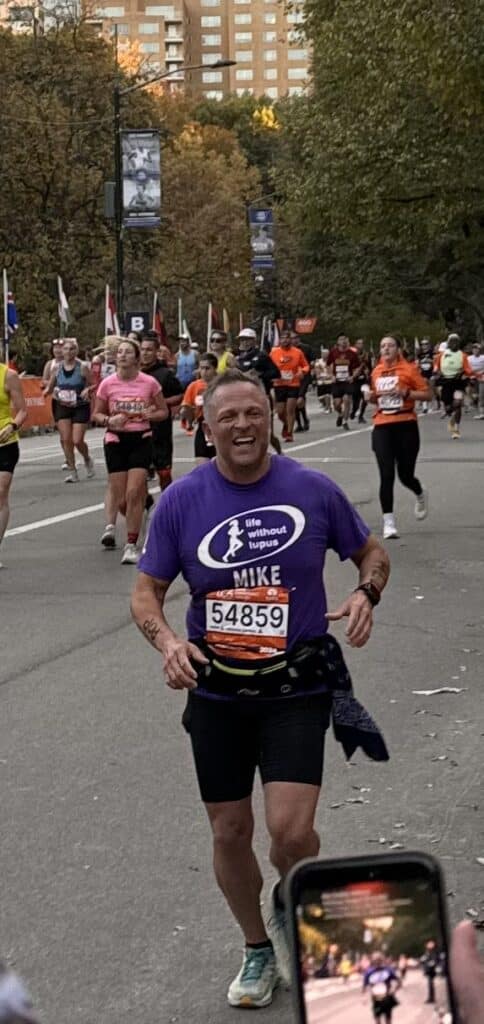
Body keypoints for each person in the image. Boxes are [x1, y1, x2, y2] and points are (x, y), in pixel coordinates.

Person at [131, 368, 391, 1009]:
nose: (243, 426)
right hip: (217, 690)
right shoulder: (184, 502)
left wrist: (367, 592)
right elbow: (147, 592)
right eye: (229, 417)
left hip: (296, 685)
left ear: (271, 418)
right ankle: (256, 947)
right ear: (206, 426)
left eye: (254, 413)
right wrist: (168, 642)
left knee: (292, 832)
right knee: (228, 831)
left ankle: (301, 920)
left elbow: (372, 552)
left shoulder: (312, 489)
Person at [92, 338, 168, 563]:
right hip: (115, 440)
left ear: (136, 358)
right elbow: (96, 414)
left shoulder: (149, 383)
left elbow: (163, 412)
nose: (122, 355)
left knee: (134, 492)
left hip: (141, 438)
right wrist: (109, 419)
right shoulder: (107, 384)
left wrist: (149, 415)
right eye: (120, 352)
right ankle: (139, 517)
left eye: (127, 352)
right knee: (121, 499)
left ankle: (131, 544)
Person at [368, 335, 431, 539]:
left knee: (405, 475)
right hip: (382, 426)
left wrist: (406, 393)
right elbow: (376, 398)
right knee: (386, 474)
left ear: (398, 349)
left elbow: (427, 394)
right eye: (382, 346)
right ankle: (389, 522)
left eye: (390, 346)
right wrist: (370, 397)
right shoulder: (376, 371)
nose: (386, 349)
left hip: (406, 425)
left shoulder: (409, 369)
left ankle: (420, 492)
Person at [43, 338, 94, 483]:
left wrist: (87, 389)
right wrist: (47, 391)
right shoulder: (57, 367)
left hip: (80, 405)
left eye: (72, 349)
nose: (68, 352)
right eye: (65, 349)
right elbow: (51, 385)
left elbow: (94, 384)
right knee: (66, 439)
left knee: (77, 440)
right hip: (62, 405)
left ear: (76, 351)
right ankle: (73, 471)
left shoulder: (83, 366)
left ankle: (87, 458)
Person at [140, 336, 183, 492]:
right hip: (137, 429)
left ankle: (168, 500)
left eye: (149, 350)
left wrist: (160, 403)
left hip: (160, 429)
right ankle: (145, 503)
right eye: (143, 349)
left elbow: (179, 395)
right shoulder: (133, 373)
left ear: (157, 352)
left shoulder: (165, 374)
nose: (145, 353)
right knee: (138, 475)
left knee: (164, 473)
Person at [235, 328, 281, 453]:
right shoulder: (236, 357)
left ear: (253, 341)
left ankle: (280, 454)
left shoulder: (261, 356)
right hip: (242, 398)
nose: (244, 343)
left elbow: (276, 373)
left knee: (267, 433)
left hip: (261, 396)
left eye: (247, 340)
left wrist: (259, 375)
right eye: (242, 340)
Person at [0, 363, 27, 568]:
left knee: (0, 493)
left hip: (5, 442)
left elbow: (22, 411)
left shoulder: (8, 375)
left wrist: (13, 426)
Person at [270, 329, 310, 442]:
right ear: (280, 340)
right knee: (280, 412)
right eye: (282, 338)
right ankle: (286, 424)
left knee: (290, 410)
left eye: (287, 338)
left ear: (290, 340)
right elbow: (269, 366)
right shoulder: (274, 352)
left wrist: (302, 372)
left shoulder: (297, 352)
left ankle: (289, 433)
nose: (285, 340)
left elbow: (306, 366)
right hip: (279, 384)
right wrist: (271, 375)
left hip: (293, 384)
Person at [178, 353, 218, 462]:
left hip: (219, 426)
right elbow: (186, 406)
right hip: (202, 426)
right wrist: (187, 415)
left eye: (207, 368)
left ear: (215, 368)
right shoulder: (194, 386)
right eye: (201, 368)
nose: (204, 372)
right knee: (201, 465)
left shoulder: (222, 385)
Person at [433, 334, 473, 439]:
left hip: (458, 382)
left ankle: (456, 429)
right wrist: (437, 373)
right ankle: (447, 411)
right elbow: (436, 367)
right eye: (452, 341)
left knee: (458, 403)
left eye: (456, 342)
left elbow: (468, 369)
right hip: (445, 382)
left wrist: (464, 372)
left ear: (458, 343)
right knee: (449, 406)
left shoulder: (462, 355)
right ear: (448, 343)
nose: (454, 344)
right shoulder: (441, 355)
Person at [326, 334, 361, 430]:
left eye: (345, 339)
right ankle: (340, 414)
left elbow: (357, 367)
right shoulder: (333, 353)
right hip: (337, 381)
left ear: (347, 341)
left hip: (347, 381)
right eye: (341, 339)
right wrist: (331, 375)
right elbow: (328, 365)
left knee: (346, 399)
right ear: (338, 342)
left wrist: (353, 376)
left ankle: (345, 421)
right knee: (336, 404)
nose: (343, 341)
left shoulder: (352, 354)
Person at [363, 951, 401, 1022]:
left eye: (379, 960)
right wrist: (364, 996)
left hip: (387, 998)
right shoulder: (369, 972)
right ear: (373, 961)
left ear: (382, 960)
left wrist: (393, 990)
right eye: (375, 960)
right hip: (376, 999)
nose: (377, 962)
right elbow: (365, 985)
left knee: (388, 1018)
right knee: (377, 1018)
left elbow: (399, 981)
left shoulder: (388, 970)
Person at [293, 333, 313, 432]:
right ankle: (300, 423)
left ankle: (304, 420)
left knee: (300, 398)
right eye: (292, 338)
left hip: (304, 376)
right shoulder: (288, 350)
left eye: (295, 338)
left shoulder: (306, 348)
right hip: (293, 377)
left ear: (298, 339)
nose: (294, 340)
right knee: (294, 401)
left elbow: (312, 361)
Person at [350, 338, 372, 423]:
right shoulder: (352, 355)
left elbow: (370, 366)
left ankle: (361, 416)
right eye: (358, 343)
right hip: (355, 380)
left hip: (364, 380)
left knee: (365, 398)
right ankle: (354, 411)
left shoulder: (367, 355)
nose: (360, 345)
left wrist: (369, 373)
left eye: (362, 344)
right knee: (356, 401)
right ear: (355, 345)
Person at [421, 939, 441, 1004]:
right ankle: (431, 998)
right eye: (429, 944)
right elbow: (425, 959)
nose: (429, 945)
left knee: (430, 985)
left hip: (431, 970)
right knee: (430, 985)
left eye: (431, 943)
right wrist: (424, 959)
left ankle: (431, 998)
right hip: (428, 970)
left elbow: (435, 960)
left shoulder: (433, 951)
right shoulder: (427, 951)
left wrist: (432, 963)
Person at [313, 347, 333, 413]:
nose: (325, 355)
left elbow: (332, 371)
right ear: (321, 354)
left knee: (327, 395)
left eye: (326, 354)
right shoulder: (318, 362)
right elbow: (317, 371)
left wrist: (329, 376)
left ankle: (327, 408)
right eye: (323, 354)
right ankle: (326, 405)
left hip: (329, 381)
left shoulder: (331, 361)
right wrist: (319, 376)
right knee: (320, 398)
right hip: (320, 381)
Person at [468, 342, 484, 419]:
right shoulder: (469, 358)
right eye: (474, 349)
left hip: (482, 378)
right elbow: (467, 368)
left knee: (481, 395)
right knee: (473, 395)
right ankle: (473, 405)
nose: (475, 350)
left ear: (480, 350)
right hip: (472, 378)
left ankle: (481, 413)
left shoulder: (483, 358)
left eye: (477, 349)